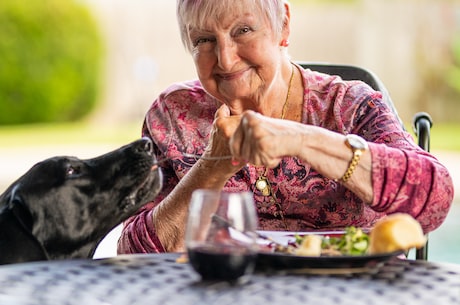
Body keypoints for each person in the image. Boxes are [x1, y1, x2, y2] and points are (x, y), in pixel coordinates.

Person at [117, 0, 454, 254]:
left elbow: (435, 197)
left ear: (283, 26)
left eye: (243, 31)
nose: (225, 59)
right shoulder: (174, 115)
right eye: (204, 40)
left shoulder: (349, 107)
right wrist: (212, 165)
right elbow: (133, 255)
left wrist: (302, 140)